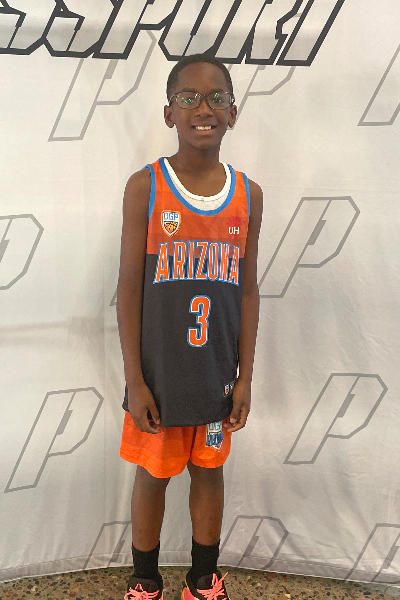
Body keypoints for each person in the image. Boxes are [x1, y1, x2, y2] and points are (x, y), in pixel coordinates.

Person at [116, 53, 263, 600]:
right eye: (189, 98)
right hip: (159, 376)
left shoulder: (248, 195)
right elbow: (129, 288)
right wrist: (135, 380)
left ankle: (203, 576)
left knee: (209, 473)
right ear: (169, 113)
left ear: (233, 112)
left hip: (216, 374)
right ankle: (144, 577)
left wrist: (245, 377)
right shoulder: (146, 187)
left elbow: (247, 290)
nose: (203, 108)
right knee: (152, 475)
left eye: (216, 98)